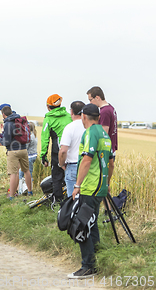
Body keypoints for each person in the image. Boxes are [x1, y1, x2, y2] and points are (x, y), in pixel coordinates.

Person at [68, 103, 114, 279]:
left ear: (84, 117)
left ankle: (87, 266)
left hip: (89, 187)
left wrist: (77, 185)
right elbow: (111, 163)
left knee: (82, 225)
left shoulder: (90, 133)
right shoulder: (105, 134)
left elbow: (87, 159)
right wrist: (107, 183)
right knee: (92, 224)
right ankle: (96, 262)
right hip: (100, 187)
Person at [0, 106, 32, 199]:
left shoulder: (8, 124)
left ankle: (12, 196)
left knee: (13, 173)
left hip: (13, 151)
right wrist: (0, 135)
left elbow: (7, 141)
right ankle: (30, 191)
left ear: (3, 114)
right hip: (24, 149)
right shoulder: (19, 120)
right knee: (26, 171)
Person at [40, 94, 72, 202]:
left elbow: (45, 138)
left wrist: (43, 155)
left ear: (48, 107)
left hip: (57, 151)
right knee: (70, 174)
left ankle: (59, 202)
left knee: (56, 176)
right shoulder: (68, 116)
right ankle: (71, 200)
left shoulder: (48, 118)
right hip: (71, 150)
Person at [58, 101, 86, 197]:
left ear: (71, 112)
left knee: (72, 199)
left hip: (73, 166)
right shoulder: (89, 127)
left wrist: (61, 164)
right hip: (88, 166)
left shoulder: (69, 128)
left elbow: (63, 150)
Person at [87, 86, 118, 159]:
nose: (90, 103)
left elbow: (104, 133)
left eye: (91, 100)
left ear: (97, 97)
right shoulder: (110, 108)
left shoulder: (104, 112)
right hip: (110, 148)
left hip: (105, 151)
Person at [18, 122, 38, 195]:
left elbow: (25, 147)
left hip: (29, 156)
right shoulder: (35, 135)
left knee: (22, 173)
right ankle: (27, 189)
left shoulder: (29, 137)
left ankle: (24, 189)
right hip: (33, 155)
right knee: (28, 172)